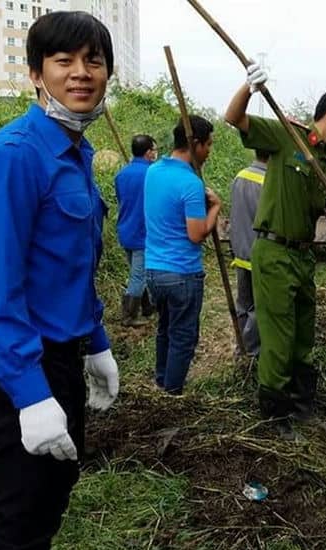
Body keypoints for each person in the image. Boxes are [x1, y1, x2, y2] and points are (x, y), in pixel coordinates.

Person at [0, 11, 119, 550]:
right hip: (20, 363)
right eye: (64, 61)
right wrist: (29, 395)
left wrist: (96, 344)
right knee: (20, 524)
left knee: (52, 498)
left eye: (93, 61)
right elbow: (1, 295)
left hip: (64, 356)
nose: (81, 73)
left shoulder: (76, 152)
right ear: (36, 73)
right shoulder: (13, 157)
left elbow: (72, 266)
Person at [224, 61, 326, 436]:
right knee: (279, 334)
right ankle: (275, 415)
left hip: (303, 256)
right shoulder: (287, 136)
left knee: (304, 332)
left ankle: (303, 404)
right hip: (272, 252)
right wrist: (248, 88)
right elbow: (233, 117)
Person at [144, 116, 221, 395]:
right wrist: (215, 207)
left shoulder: (153, 171)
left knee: (165, 328)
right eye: (208, 144)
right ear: (195, 143)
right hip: (182, 274)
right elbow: (196, 234)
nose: (209, 151)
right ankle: (173, 391)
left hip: (153, 271)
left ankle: (163, 380)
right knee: (183, 335)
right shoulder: (190, 183)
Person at [229, 149, 269, 357]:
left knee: (243, 304)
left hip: (241, 251)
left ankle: (240, 348)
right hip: (259, 254)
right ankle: (252, 352)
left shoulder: (240, 176)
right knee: (257, 308)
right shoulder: (267, 182)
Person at [114, 134, 157, 327]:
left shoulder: (122, 174)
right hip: (142, 232)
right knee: (139, 275)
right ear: (148, 152)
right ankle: (129, 316)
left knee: (138, 271)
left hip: (126, 229)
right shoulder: (152, 174)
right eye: (154, 150)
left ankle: (147, 307)